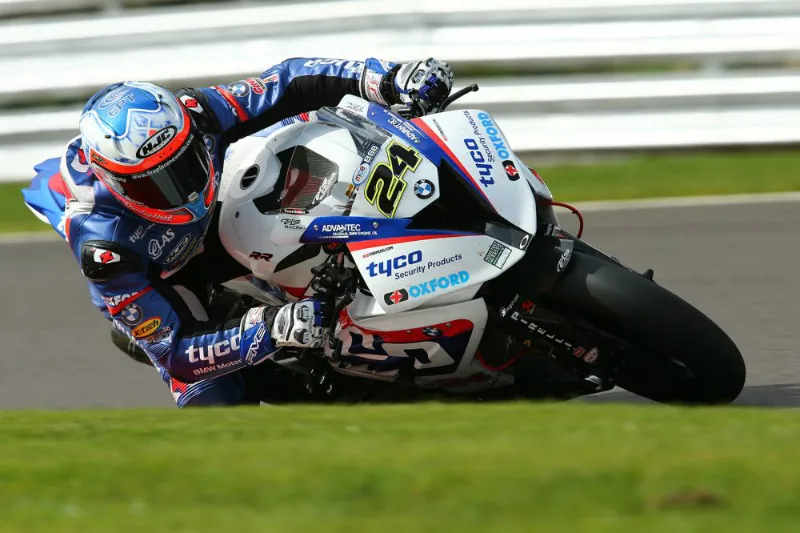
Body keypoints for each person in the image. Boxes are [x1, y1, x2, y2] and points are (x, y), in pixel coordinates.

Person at [22, 57, 454, 407]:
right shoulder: (104, 246)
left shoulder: (195, 112)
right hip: (167, 274)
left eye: (185, 162)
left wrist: (385, 80)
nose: (181, 188)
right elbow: (176, 351)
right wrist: (271, 328)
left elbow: (289, 83)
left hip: (221, 207)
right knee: (215, 402)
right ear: (116, 183)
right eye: (153, 183)